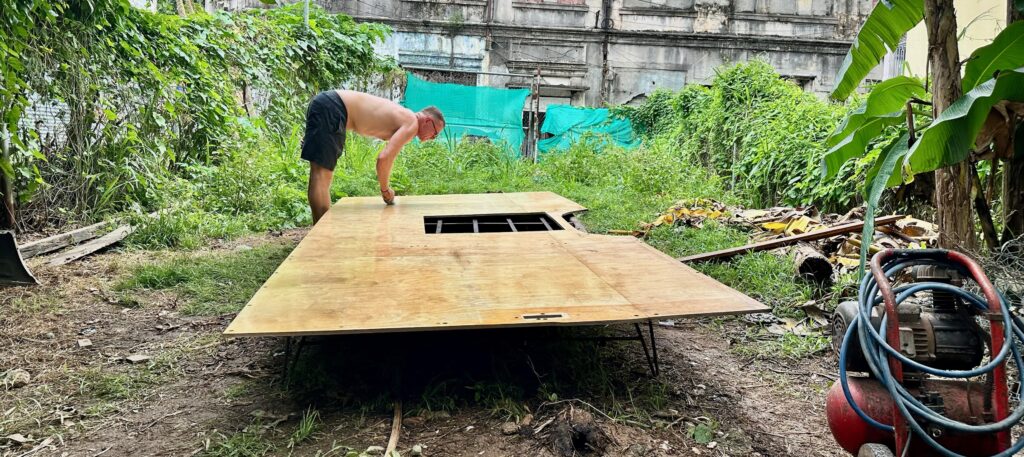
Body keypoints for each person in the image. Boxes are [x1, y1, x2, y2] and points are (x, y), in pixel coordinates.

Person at [300, 89, 445, 223]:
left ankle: (320, 232)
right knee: (321, 175)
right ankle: (322, 235)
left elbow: (386, 158)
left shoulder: (405, 116)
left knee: (319, 174)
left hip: (329, 105)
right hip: (333, 107)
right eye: (435, 133)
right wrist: (385, 190)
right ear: (427, 121)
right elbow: (384, 158)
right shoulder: (412, 123)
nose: (432, 138)